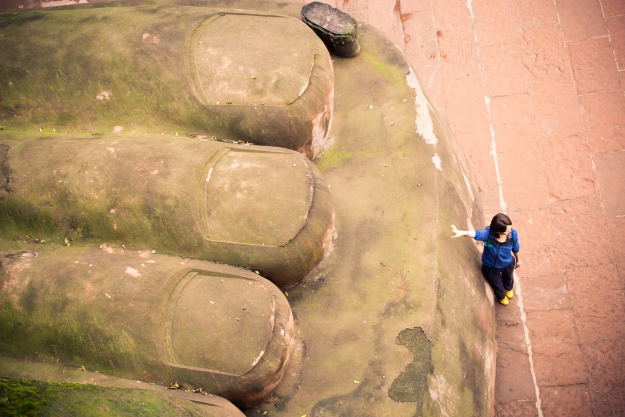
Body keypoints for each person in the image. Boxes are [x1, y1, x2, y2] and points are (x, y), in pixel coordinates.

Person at [451, 213, 521, 306]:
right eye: (506, 230)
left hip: (507, 263)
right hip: (491, 267)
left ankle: (508, 288)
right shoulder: (488, 235)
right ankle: (501, 296)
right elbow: (477, 234)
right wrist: (463, 233)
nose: (509, 231)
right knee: (497, 284)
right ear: (498, 231)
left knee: (508, 278)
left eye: (509, 227)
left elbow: (515, 247)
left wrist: (518, 260)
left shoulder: (513, 234)